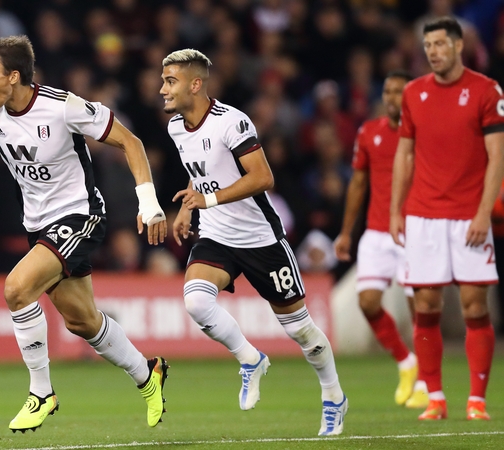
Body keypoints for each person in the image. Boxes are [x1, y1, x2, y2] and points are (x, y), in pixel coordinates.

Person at [0, 35, 169, 433]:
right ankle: (149, 374)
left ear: (13, 76)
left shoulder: (63, 107)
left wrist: (149, 203)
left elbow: (131, 142)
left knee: (16, 288)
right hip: (39, 224)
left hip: (80, 215)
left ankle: (41, 392)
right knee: (83, 322)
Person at [161, 49, 347, 436]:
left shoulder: (232, 122)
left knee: (301, 331)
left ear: (196, 84)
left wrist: (206, 200)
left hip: (260, 239)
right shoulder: (176, 127)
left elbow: (263, 178)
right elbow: (204, 170)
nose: (162, 89)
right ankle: (250, 359)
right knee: (196, 301)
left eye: (170, 81)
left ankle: (333, 396)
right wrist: (190, 207)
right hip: (216, 235)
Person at [390, 16, 504, 421]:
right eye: (428, 46)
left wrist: (482, 212)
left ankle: (477, 400)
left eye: (440, 44)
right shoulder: (414, 93)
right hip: (422, 216)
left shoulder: (486, 91)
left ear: (458, 46)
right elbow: (404, 154)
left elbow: (497, 158)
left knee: (475, 306)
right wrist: (396, 211)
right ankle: (435, 397)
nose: (433, 52)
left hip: (467, 216)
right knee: (426, 303)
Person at [334, 70, 428, 409]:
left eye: (399, 92)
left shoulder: (423, 132)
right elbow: (358, 183)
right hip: (375, 232)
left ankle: (427, 383)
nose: (392, 97)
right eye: (387, 91)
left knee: (421, 309)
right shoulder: (369, 132)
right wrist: (346, 232)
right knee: (368, 302)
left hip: (414, 230)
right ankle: (407, 363)